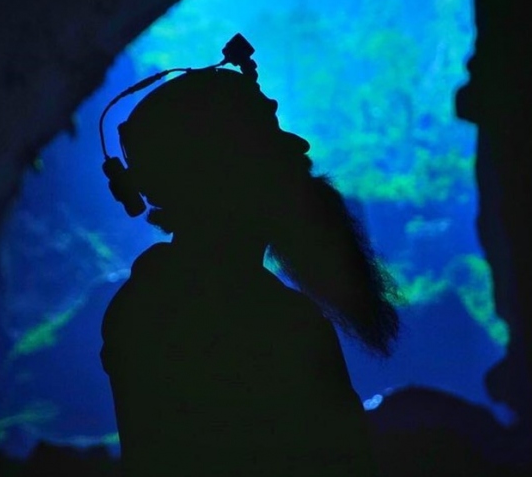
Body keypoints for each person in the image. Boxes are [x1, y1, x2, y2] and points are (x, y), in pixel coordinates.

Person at [100, 67, 404, 477]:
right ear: (220, 168)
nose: (299, 146)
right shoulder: (276, 321)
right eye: (270, 136)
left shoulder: (146, 305)